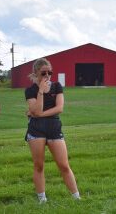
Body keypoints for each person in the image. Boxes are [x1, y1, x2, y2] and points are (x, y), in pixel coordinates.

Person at [24, 58, 80, 203]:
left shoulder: (57, 86)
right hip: (36, 129)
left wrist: (39, 114)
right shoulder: (30, 90)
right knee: (39, 165)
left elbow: (59, 108)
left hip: (54, 127)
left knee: (64, 165)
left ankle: (76, 197)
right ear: (36, 73)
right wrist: (41, 91)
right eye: (43, 73)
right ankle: (42, 199)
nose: (47, 75)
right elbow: (35, 109)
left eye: (50, 72)